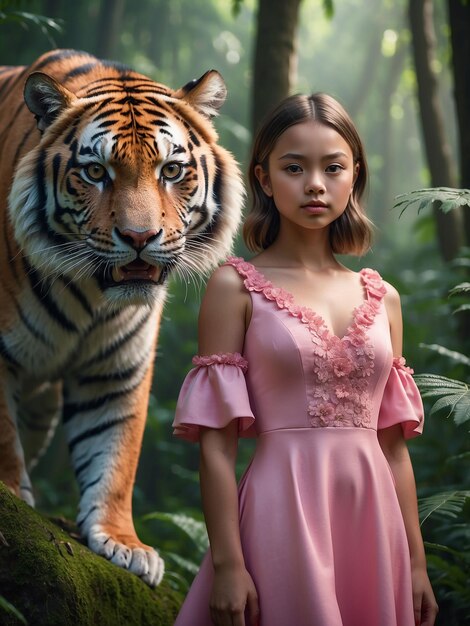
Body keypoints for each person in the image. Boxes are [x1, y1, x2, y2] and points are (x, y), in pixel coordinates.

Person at [172, 92, 438, 626]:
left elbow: (394, 449)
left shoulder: (383, 296)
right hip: (280, 513)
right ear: (265, 179)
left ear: (353, 176)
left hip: (373, 521)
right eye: (294, 167)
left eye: (332, 167)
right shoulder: (234, 286)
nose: (315, 183)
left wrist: (416, 563)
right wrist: (227, 563)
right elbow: (217, 449)